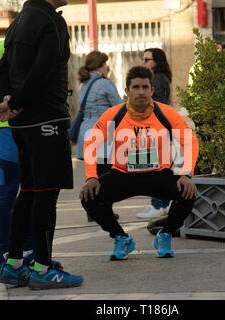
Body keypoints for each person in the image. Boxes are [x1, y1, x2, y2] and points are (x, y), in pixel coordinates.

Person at [0, 0, 83, 290]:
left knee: (29, 191)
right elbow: (43, 69)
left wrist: (10, 101)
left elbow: (1, 69)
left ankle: (14, 264)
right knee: (46, 195)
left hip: (22, 122)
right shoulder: (50, 21)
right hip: (46, 119)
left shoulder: (17, 21)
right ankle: (42, 268)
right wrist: (15, 102)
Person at [80, 66, 199, 259]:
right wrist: (92, 176)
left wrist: (186, 173)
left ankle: (165, 234)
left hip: (158, 175)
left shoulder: (166, 113)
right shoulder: (113, 115)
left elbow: (190, 141)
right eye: (136, 87)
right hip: (123, 175)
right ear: (126, 92)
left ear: (152, 90)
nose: (141, 92)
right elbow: (91, 143)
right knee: (88, 196)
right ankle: (121, 237)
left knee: (188, 193)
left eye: (145, 87)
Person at [0, 40, 63, 274]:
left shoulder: (12, 44)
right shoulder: (16, 44)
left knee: (22, 192)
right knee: (24, 191)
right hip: (16, 126)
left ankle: (16, 254)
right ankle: (14, 254)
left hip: (22, 127)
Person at [75, 51, 123, 221]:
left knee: (92, 174)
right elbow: (118, 107)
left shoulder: (84, 83)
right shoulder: (104, 83)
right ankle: (105, 210)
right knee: (106, 175)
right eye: (105, 64)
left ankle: (92, 211)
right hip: (102, 133)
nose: (107, 67)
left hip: (86, 132)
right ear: (99, 66)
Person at [137, 47, 173, 219]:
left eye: (147, 60)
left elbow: (156, 103)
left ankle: (158, 205)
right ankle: (161, 204)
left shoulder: (158, 78)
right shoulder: (157, 78)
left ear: (156, 61)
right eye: (143, 59)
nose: (143, 63)